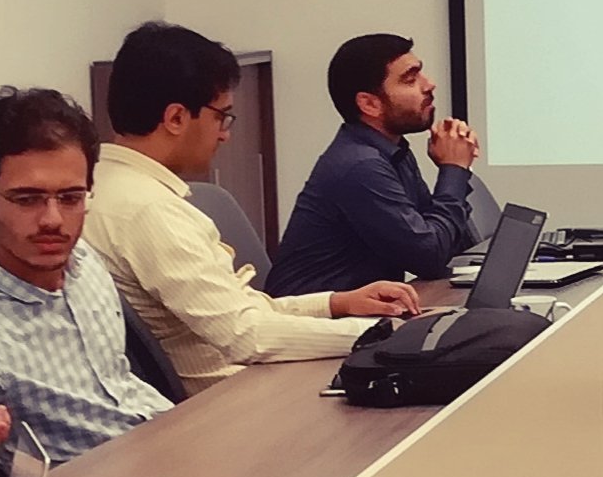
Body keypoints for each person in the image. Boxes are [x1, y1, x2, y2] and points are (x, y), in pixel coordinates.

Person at [82, 23, 418, 391]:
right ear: (176, 118)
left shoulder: (108, 184)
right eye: (221, 116)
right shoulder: (150, 211)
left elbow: (241, 310)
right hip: (240, 397)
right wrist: (378, 332)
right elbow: (246, 335)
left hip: (252, 379)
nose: (225, 134)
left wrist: (337, 304)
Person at [0, 88, 174, 477]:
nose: (53, 220)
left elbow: (119, 383)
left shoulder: (84, 262)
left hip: (167, 445)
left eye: (70, 198)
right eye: (27, 199)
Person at [265, 35, 503, 297]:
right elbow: (430, 257)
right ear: (369, 104)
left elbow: (443, 244)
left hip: (368, 310)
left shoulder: (393, 151)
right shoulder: (360, 166)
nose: (429, 85)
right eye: (410, 79)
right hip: (316, 317)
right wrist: (454, 170)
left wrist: (454, 170)